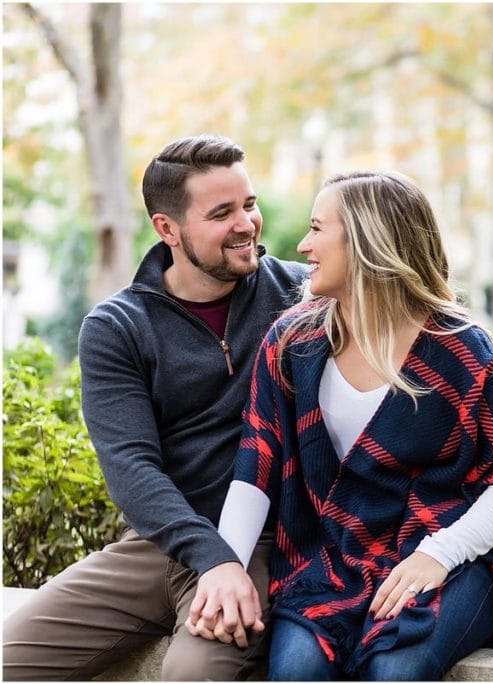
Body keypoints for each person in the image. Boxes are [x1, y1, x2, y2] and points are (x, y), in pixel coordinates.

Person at [189, 170, 493, 680]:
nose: (302, 245)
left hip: (452, 558)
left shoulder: (461, 348)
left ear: (369, 242)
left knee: (392, 670)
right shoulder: (293, 342)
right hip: (334, 562)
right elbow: (256, 466)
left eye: (318, 229)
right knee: (296, 671)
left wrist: (439, 555)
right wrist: (227, 567)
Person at [2, 134, 308, 680]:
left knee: (191, 675)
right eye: (222, 213)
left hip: (259, 543)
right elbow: (131, 468)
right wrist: (208, 555)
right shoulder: (117, 327)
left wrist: (230, 560)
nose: (246, 224)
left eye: (249, 204)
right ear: (167, 229)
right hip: (155, 544)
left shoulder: (298, 297)